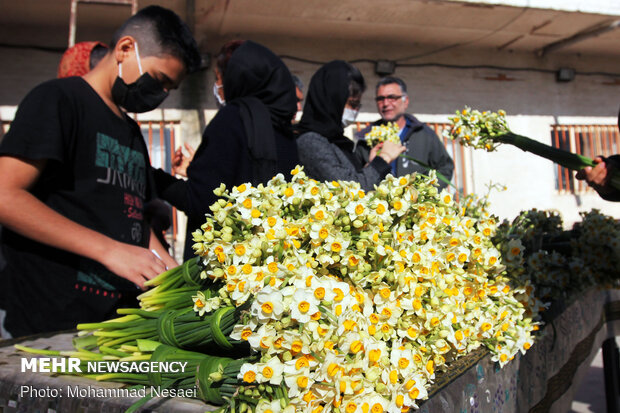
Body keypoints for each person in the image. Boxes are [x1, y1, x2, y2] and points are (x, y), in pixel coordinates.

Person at [0, 5, 200, 337]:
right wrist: (108, 250)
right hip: (50, 324)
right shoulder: (57, 100)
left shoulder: (132, 132)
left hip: (115, 325)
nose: (161, 96)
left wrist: (167, 270)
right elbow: (6, 196)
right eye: (160, 80)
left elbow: (134, 215)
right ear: (125, 49)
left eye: (170, 89)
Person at [153, 40, 299, 260]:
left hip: (225, 268)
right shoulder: (284, 131)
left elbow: (201, 201)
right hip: (268, 266)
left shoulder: (233, 119)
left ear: (236, 78)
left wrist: (151, 177)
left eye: (219, 78)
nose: (218, 86)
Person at [295, 60, 405, 192]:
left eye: (358, 105)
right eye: (352, 104)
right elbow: (349, 190)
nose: (355, 111)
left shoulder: (336, 140)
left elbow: (352, 179)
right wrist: (383, 158)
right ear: (332, 102)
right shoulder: (311, 142)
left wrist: (371, 164)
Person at [356, 76, 454, 189]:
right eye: (381, 99)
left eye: (392, 97)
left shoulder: (424, 134)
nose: (386, 103)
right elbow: (357, 177)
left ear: (405, 101)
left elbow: (445, 168)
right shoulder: (366, 138)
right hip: (378, 205)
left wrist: (425, 193)